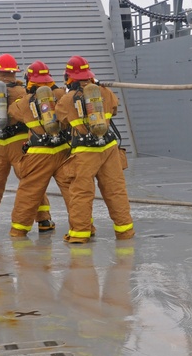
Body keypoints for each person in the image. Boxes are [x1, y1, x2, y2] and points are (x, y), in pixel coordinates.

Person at [53, 55, 135, 244]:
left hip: (84, 151)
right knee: (116, 190)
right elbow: (114, 109)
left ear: (69, 77)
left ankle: (80, 235)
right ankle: (125, 232)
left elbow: (62, 121)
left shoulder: (66, 100)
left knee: (81, 192)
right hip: (109, 148)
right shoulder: (105, 93)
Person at [0, 53, 54, 232]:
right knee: (31, 181)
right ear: (14, 72)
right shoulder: (23, 92)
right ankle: (43, 220)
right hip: (19, 143)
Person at [8, 61, 72, 237]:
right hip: (64, 151)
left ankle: (19, 230)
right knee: (73, 192)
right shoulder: (60, 94)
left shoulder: (25, 101)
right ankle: (84, 228)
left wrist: (24, 93)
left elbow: (13, 112)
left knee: (28, 192)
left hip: (39, 154)